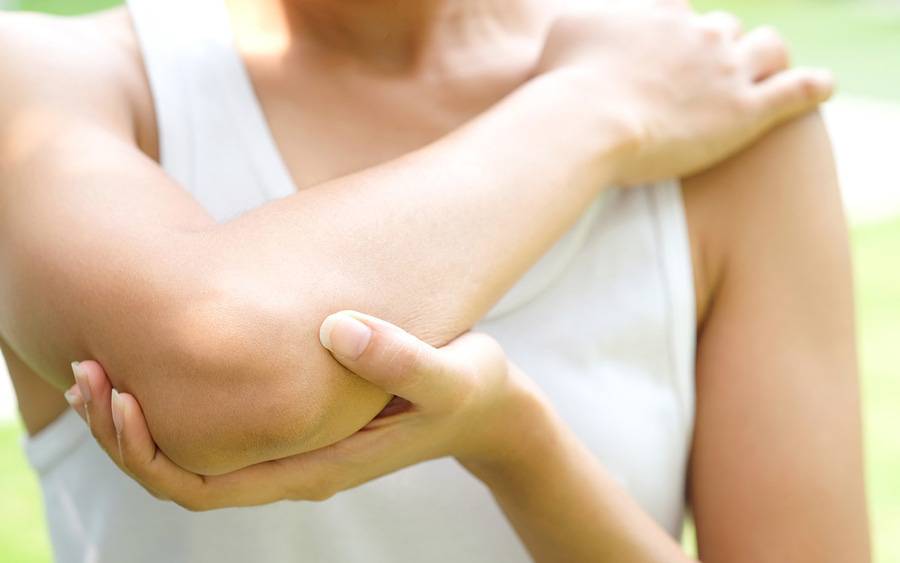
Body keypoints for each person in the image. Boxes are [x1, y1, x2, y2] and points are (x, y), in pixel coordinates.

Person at [0, 0, 868, 561]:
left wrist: (521, 449)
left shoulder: (729, 119)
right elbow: (233, 379)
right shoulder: (45, 80)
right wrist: (593, 112)